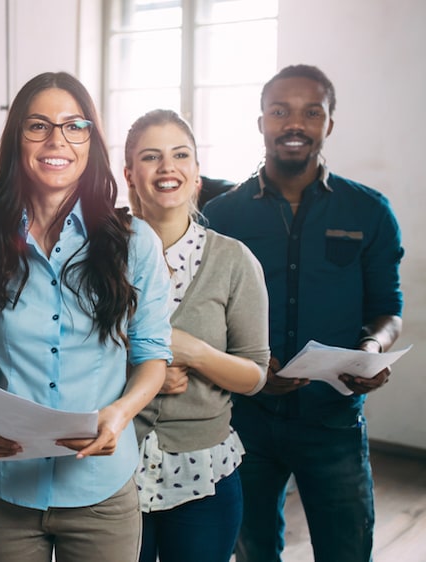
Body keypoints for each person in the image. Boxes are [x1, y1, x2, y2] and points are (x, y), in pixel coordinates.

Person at [0, 71, 172, 562]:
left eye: (75, 126)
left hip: (100, 493)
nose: (57, 140)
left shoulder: (134, 243)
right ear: (17, 139)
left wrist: (120, 414)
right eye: (39, 126)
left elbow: (153, 355)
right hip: (4, 492)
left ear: (91, 140)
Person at [202, 64, 404, 562]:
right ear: (262, 122)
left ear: (328, 123)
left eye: (311, 112)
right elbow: (201, 313)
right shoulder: (222, 216)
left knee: (347, 550)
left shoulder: (369, 212)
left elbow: (387, 309)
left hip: (332, 420)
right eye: (280, 111)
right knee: (251, 551)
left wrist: (372, 350)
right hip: (245, 419)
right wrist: (244, 366)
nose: (295, 123)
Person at [123, 109, 270, 562]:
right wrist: (143, 372)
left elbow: (255, 375)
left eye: (180, 155)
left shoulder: (234, 260)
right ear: (129, 174)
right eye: (151, 156)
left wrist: (198, 352)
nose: (167, 167)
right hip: (112, 465)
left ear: (196, 173)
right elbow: (64, 350)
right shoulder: (96, 252)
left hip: (204, 473)